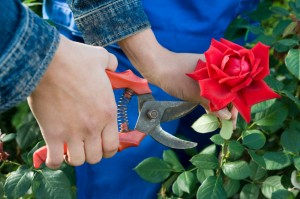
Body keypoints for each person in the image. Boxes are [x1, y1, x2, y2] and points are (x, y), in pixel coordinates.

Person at [43, 0, 258, 198]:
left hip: (226, 28)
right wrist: (151, 57)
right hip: (123, 38)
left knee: (202, 168)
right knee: (120, 183)